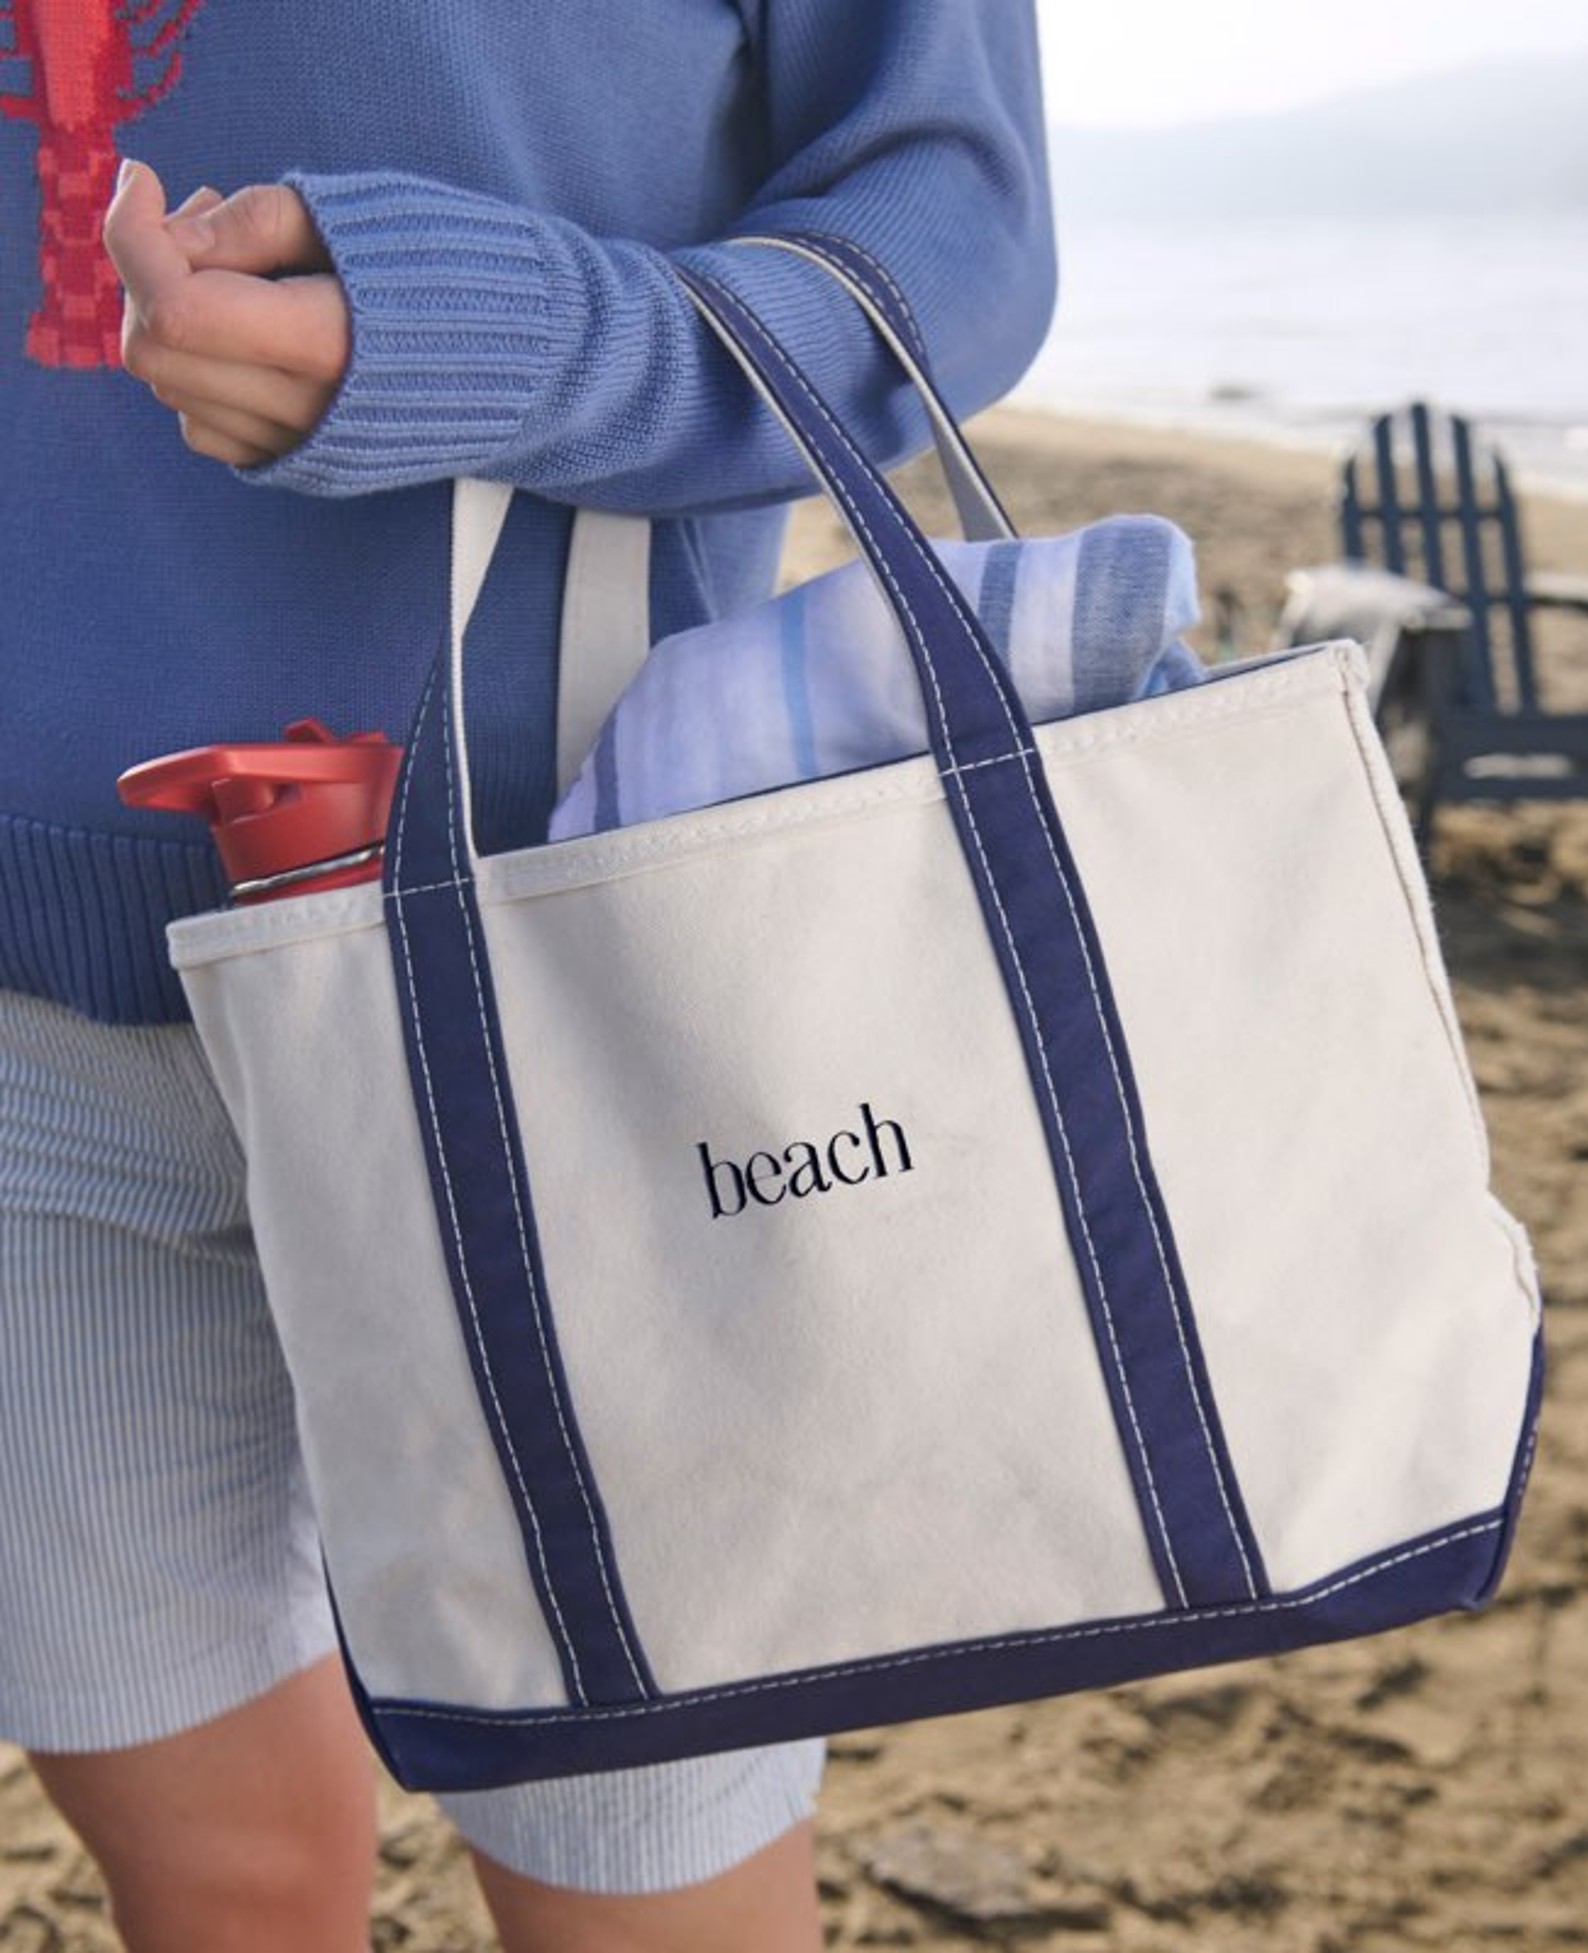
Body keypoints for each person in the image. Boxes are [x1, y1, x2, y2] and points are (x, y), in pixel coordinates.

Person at [0, 4, 1054, 1947]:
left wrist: (502, 340)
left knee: (644, 1887)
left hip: (573, 983)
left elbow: (951, 223)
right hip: (21, 1019)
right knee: (205, 1873)